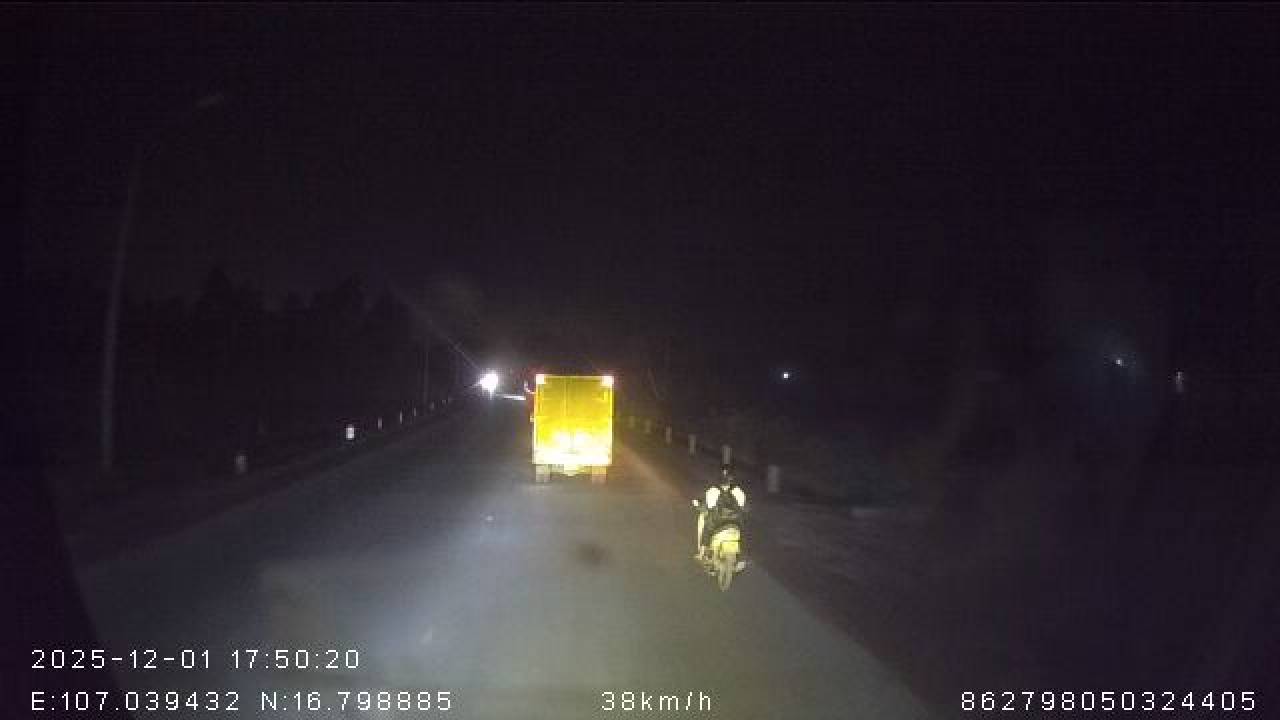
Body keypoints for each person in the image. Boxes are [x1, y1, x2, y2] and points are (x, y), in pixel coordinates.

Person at [695, 463, 748, 565]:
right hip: (735, 523)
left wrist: (700, 506)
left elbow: (708, 506)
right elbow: (744, 506)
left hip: (718, 523)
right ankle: (741, 558)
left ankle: (702, 553)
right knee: (742, 532)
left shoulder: (713, 491)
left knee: (706, 527)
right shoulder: (738, 491)